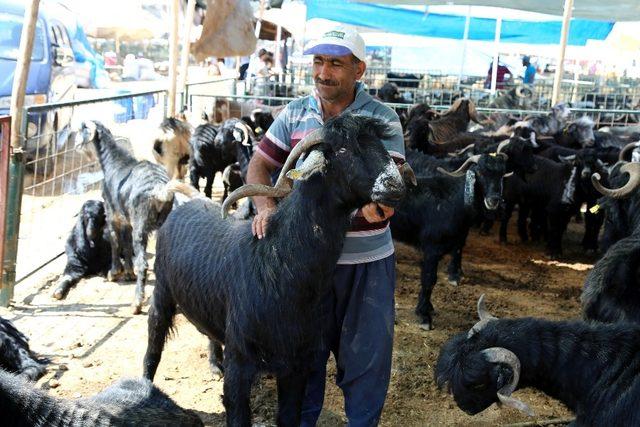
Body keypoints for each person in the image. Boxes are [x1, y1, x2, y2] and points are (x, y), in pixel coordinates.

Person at [246, 25, 405, 426]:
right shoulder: (296, 112)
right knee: (301, 358)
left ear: (359, 70)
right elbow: (260, 163)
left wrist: (377, 209)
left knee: (366, 359)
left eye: (336, 63)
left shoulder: (381, 120)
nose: (323, 72)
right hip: (303, 265)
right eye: (318, 62)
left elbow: (390, 186)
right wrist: (264, 205)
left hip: (363, 264)